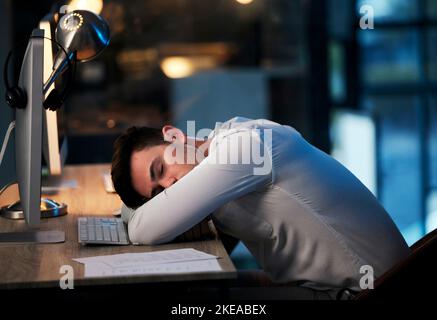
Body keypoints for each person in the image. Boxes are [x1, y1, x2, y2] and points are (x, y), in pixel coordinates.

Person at [111, 116, 410, 296]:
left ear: (174, 136)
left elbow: (144, 229)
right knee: (194, 294)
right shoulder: (221, 153)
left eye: (160, 169)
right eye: (157, 193)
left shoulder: (244, 149)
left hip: (361, 291)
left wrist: (137, 214)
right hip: (323, 285)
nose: (169, 189)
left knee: (192, 304)